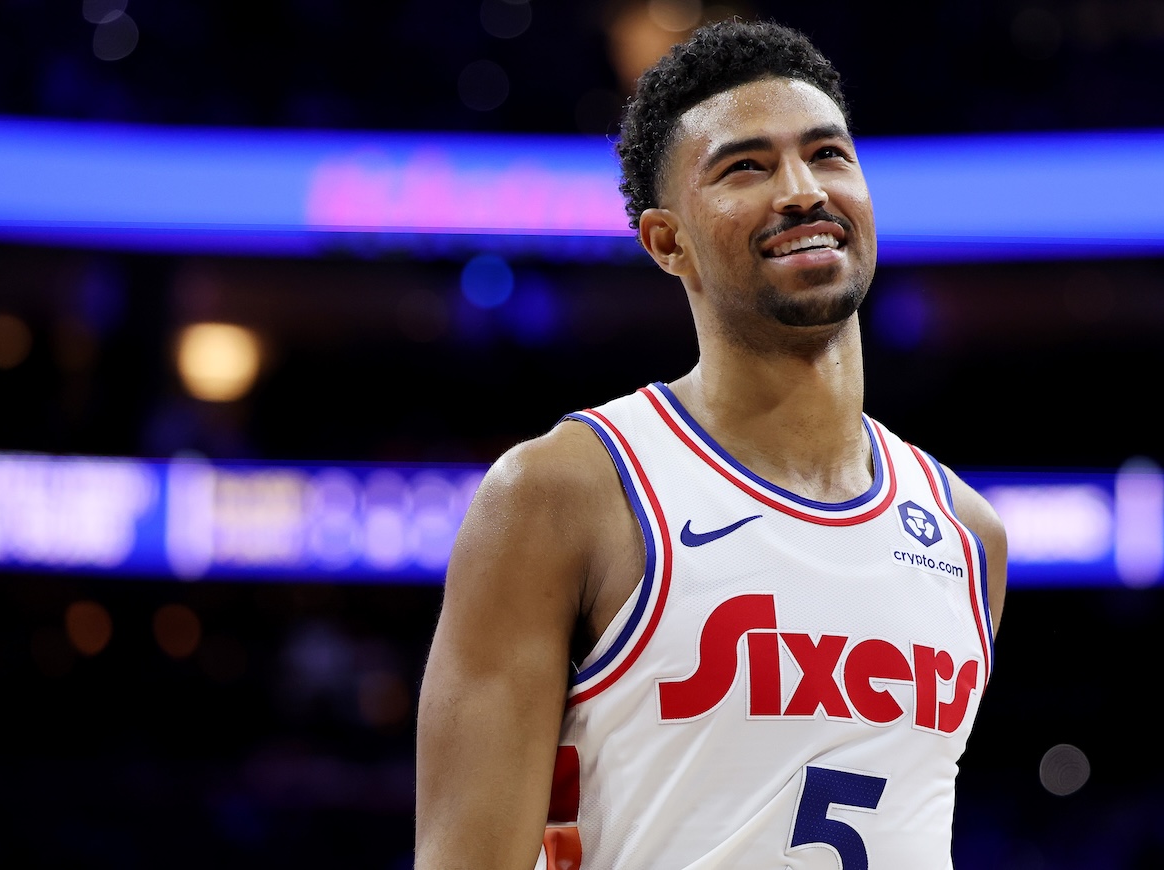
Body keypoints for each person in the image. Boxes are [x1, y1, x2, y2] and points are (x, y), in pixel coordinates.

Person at [415, 19, 1007, 870]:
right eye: (746, 167)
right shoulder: (566, 493)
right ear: (667, 241)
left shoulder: (966, 534)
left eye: (828, 155)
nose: (802, 190)